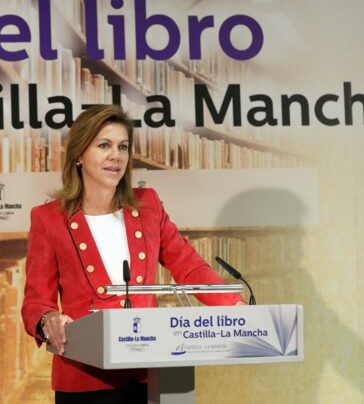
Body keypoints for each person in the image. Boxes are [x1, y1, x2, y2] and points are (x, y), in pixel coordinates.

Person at [21, 105, 244, 403]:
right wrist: (48, 319)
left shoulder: (148, 204)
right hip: (85, 379)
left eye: (123, 147)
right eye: (104, 145)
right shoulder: (48, 219)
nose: (116, 155)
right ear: (79, 155)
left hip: (150, 373)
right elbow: (36, 301)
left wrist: (234, 305)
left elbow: (189, 266)